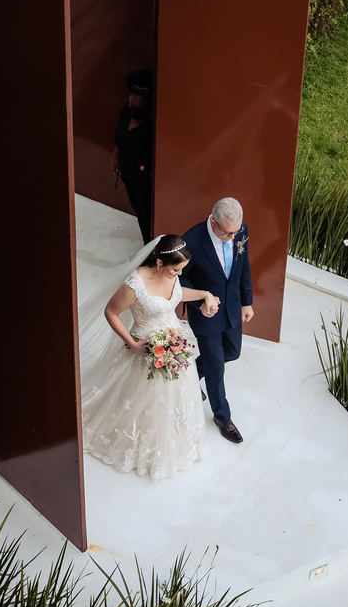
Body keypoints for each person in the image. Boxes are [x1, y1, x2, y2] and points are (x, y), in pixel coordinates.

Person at [79, 234, 221, 481]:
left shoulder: (171, 277)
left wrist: (204, 294)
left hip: (173, 346)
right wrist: (132, 344)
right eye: (175, 270)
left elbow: (177, 293)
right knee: (141, 400)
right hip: (146, 349)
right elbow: (111, 311)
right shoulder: (135, 284)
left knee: (178, 397)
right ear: (158, 264)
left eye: (181, 270)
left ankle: (175, 444)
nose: (177, 275)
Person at [180, 198, 253, 444]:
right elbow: (180, 279)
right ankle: (222, 417)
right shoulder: (191, 241)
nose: (234, 237)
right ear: (214, 222)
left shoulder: (239, 230)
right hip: (206, 314)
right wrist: (200, 302)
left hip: (232, 307)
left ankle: (190, 374)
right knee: (216, 367)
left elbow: (244, 266)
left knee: (232, 352)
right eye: (228, 232)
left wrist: (247, 301)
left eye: (236, 231)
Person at [112, 70, 154, 244]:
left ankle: (151, 253)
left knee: (148, 218)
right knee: (139, 214)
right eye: (131, 104)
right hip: (128, 173)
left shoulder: (152, 125)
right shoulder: (126, 114)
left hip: (143, 179)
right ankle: (146, 249)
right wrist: (115, 156)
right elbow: (121, 139)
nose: (134, 109)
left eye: (139, 107)